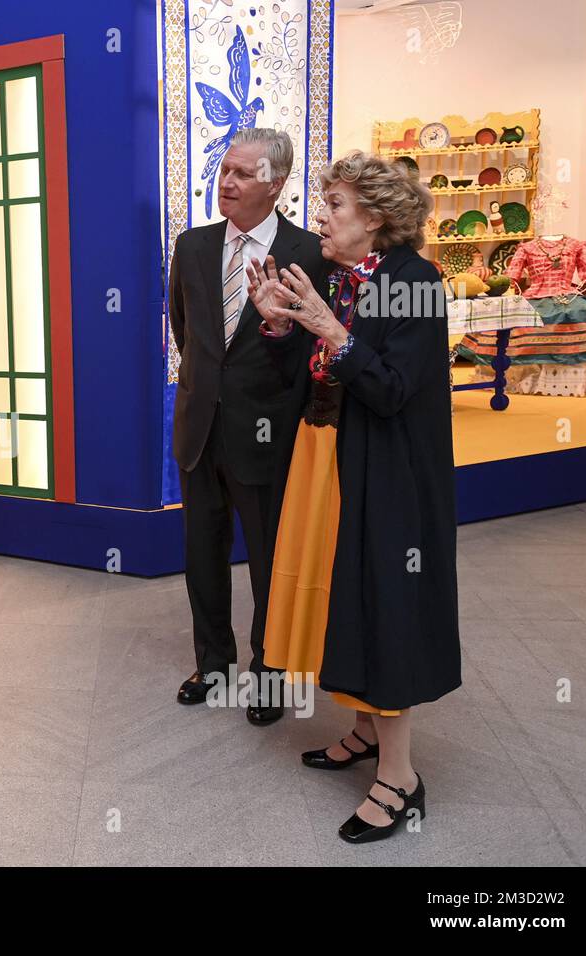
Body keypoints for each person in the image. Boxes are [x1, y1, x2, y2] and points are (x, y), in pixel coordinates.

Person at [248, 150, 461, 843]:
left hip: (391, 474)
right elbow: (316, 370)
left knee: (385, 607)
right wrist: (280, 324)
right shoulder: (345, 278)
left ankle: (401, 777)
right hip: (335, 462)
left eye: (334, 204)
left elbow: (394, 388)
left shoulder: (417, 282)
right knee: (348, 600)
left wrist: (331, 330)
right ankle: (365, 730)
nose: (321, 216)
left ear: (375, 217)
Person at [167, 129, 329, 724]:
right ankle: (213, 664)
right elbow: (186, 333)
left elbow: (314, 353)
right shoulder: (192, 245)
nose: (226, 183)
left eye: (241, 174)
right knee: (201, 555)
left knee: (267, 560)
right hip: (199, 430)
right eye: (223, 171)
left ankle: (268, 671)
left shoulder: (310, 255)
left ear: (275, 184)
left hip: (268, 435)